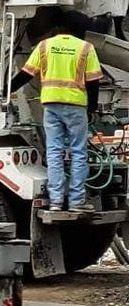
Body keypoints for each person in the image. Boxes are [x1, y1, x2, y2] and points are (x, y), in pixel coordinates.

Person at [20, 12, 104, 213]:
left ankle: (56, 201)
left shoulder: (44, 46)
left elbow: (26, 74)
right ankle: (76, 202)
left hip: (51, 106)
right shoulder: (85, 48)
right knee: (78, 152)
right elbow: (93, 82)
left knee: (54, 152)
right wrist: (92, 109)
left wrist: (4, 91)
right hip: (76, 106)